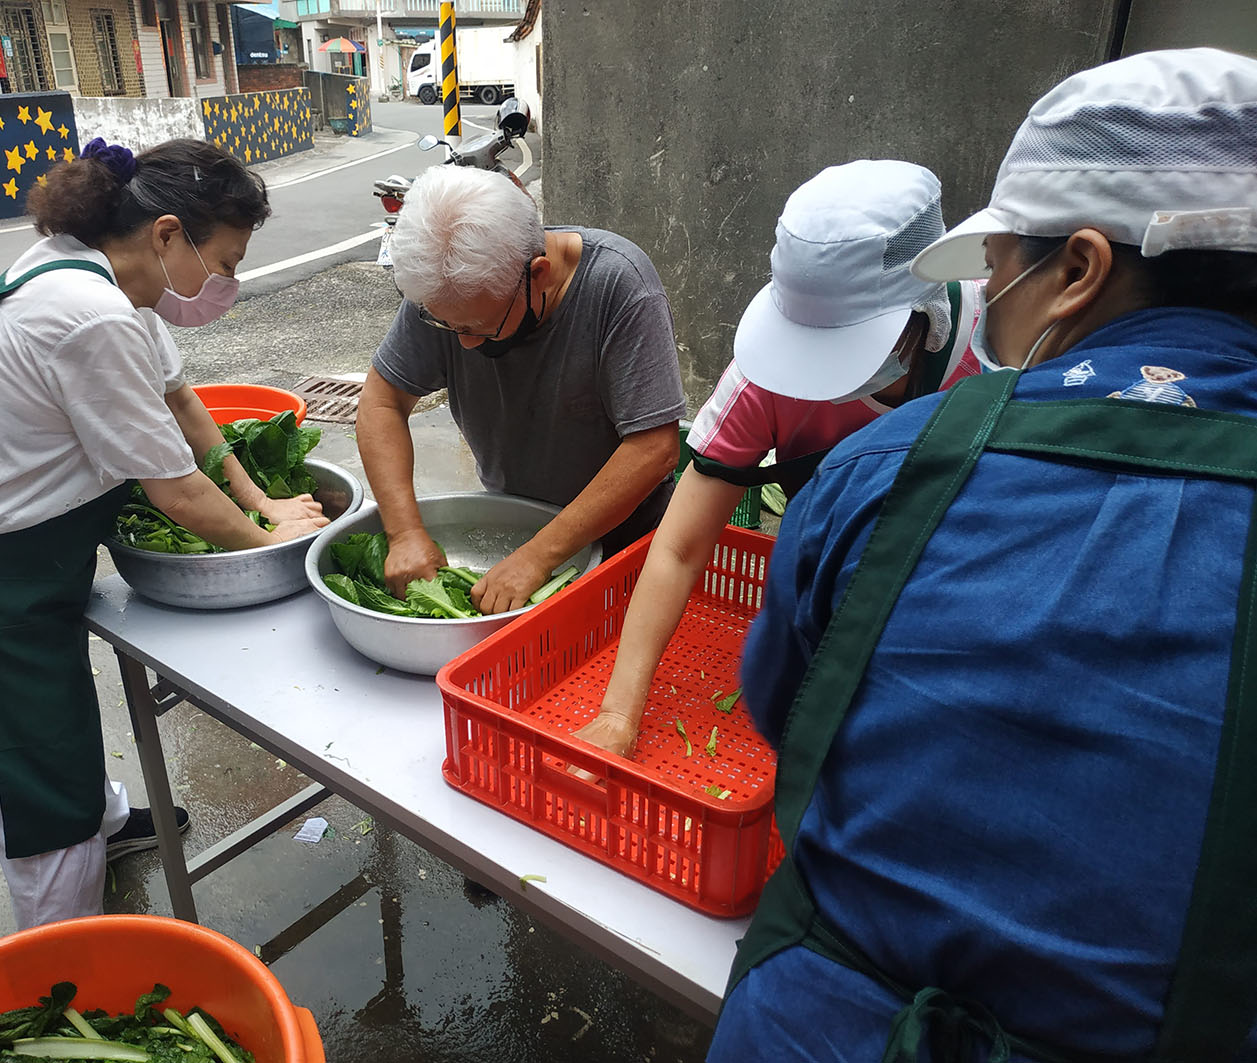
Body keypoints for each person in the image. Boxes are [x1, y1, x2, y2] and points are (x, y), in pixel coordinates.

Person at [711, 47, 1257, 1061]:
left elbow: (793, 716)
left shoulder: (892, 467)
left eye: (1000, 264)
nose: (991, 293)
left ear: (1078, 271)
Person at [0, 137, 328, 930]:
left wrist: (259, 499)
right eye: (228, 261)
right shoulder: (88, 313)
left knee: (61, 727)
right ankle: (67, 966)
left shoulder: (102, 273)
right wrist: (280, 552)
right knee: (34, 780)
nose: (230, 283)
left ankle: (103, 824)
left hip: (27, 549)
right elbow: (175, 490)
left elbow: (179, 401)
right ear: (168, 233)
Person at [573, 159, 981, 760]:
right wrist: (617, 714)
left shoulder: (1002, 353)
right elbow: (681, 547)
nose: (817, 380)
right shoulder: (764, 378)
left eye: (846, 348)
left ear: (922, 317)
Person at [357, 165, 685, 614]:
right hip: (511, 519)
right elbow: (382, 401)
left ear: (539, 274)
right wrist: (405, 532)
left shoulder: (619, 284)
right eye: (445, 325)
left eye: (479, 329)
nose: (463, 343)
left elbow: (653, 448)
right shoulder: (447, 290)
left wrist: (540, 554)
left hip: (629, 540)